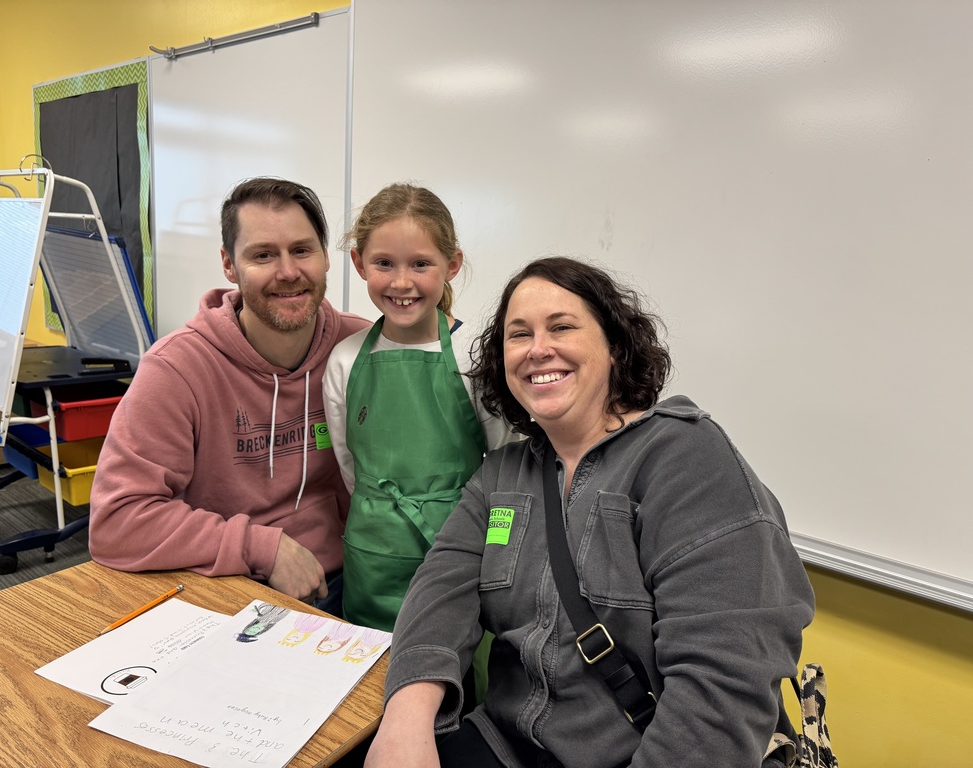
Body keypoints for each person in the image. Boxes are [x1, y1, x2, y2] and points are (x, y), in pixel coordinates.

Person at [365, 256, 816, 768]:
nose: (538, 349)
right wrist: (406, 717)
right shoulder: (502, 474)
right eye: (518, 335)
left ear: (615, 348)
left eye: (562, 327)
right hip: (507, 743)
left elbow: (723, 689)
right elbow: (440, 592)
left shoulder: (689, 461)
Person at [89, 177, 370, 613]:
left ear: (324, 257)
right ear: (228, 264)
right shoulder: (176, 369)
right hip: (231, 587)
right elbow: (117, 520)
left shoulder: (362, 349)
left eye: (301, 250)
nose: (289, 272)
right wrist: (261, 547)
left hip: (354, 575)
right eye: (263, 255)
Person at [323, 183, 516, 632]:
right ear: (359, 264)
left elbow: (508, 467)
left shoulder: (476, 356)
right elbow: (349, 465)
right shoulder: (345, 359)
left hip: (459, 553)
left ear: (452, 265)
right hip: (371, 560)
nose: (402, 282)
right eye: (384, 263)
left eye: (421, 264)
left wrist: (499, 550)